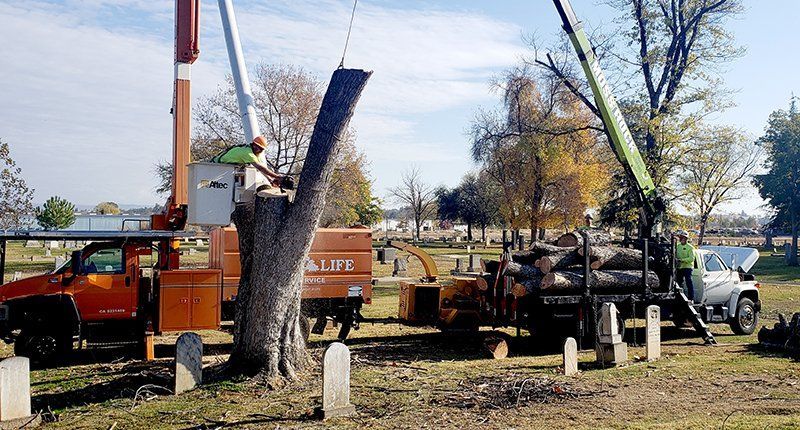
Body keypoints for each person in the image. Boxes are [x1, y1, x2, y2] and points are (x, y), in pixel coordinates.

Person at [210, 135, 293, 190]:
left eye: (260, 148)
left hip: (225, 169)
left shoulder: (256, 154)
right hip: (215, 167)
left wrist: (270, 179)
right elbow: (260, 168)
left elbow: (262, 169)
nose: (258, 149)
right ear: (253, 144)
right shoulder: (247, 153)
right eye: (256, 146)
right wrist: (278, 177)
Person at [674, 230, 696, 301]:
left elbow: (691, 258)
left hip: (687, 268)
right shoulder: (678, 246)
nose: (681, 239)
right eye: (680, 237)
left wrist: (681, 260)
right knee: (678, 282)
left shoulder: (690, 247)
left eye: (682, 237)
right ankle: (678, 297)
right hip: (680, 267)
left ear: (686, 238)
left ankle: (691, 297)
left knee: (688, 281)